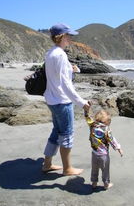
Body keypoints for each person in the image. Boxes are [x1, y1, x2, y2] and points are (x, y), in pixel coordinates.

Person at [42, 23, 91, 176]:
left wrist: (71, 68)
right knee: (67, 134)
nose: (70, 38)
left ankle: (47, 164)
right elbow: (66, 84)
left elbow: (55, 75)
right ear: (61, 36)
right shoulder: (61, 55)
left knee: (56, 132)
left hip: (51, 99)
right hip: (62, 101)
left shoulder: (50, 53)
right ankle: (68, 168)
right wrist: (82, 102)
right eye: (68, 35)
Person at [85, 109, 123, 190]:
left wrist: (86, 111)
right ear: (106, 121)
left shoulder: (92, 125)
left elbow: (87, 119)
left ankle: (94, 183)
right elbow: (111, 140)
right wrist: (118, 148)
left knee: (94, 169)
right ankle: (106, 184)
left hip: (94, 153)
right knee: (105, 170)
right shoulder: (106, 129)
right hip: (104, 155)